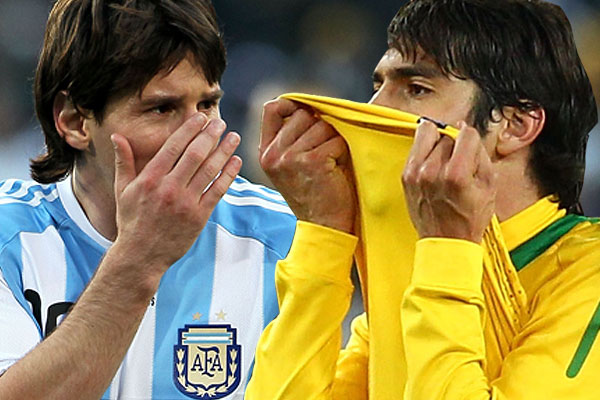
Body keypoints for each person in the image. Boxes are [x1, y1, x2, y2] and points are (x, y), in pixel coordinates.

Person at [245, 0, 600, 399]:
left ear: (516, 126)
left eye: (416, 89)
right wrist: (324, 231)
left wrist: (447, 249)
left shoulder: (588, 272)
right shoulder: (412, 268)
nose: (374, 111)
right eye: (376, 88)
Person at [0, 0, 295, 399]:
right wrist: (140, 257)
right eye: (162, 108)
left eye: (207, 104)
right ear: (74, 122)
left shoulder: (281, 239)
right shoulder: (9, 241)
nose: (200, 133)